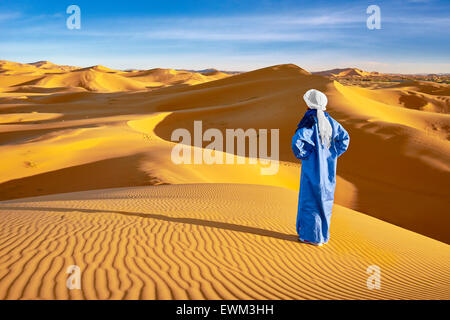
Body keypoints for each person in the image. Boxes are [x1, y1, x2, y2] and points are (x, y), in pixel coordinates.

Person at [291, 89, 350, 246]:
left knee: (309, 201)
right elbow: (345, 139)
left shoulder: (310, 121)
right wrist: (332, 153)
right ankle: (322, 237)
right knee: (325, 202)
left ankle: (310, 237)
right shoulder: (330, 122)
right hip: (328, 170)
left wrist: (306, 154)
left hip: (312, 169)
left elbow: (297, 141)